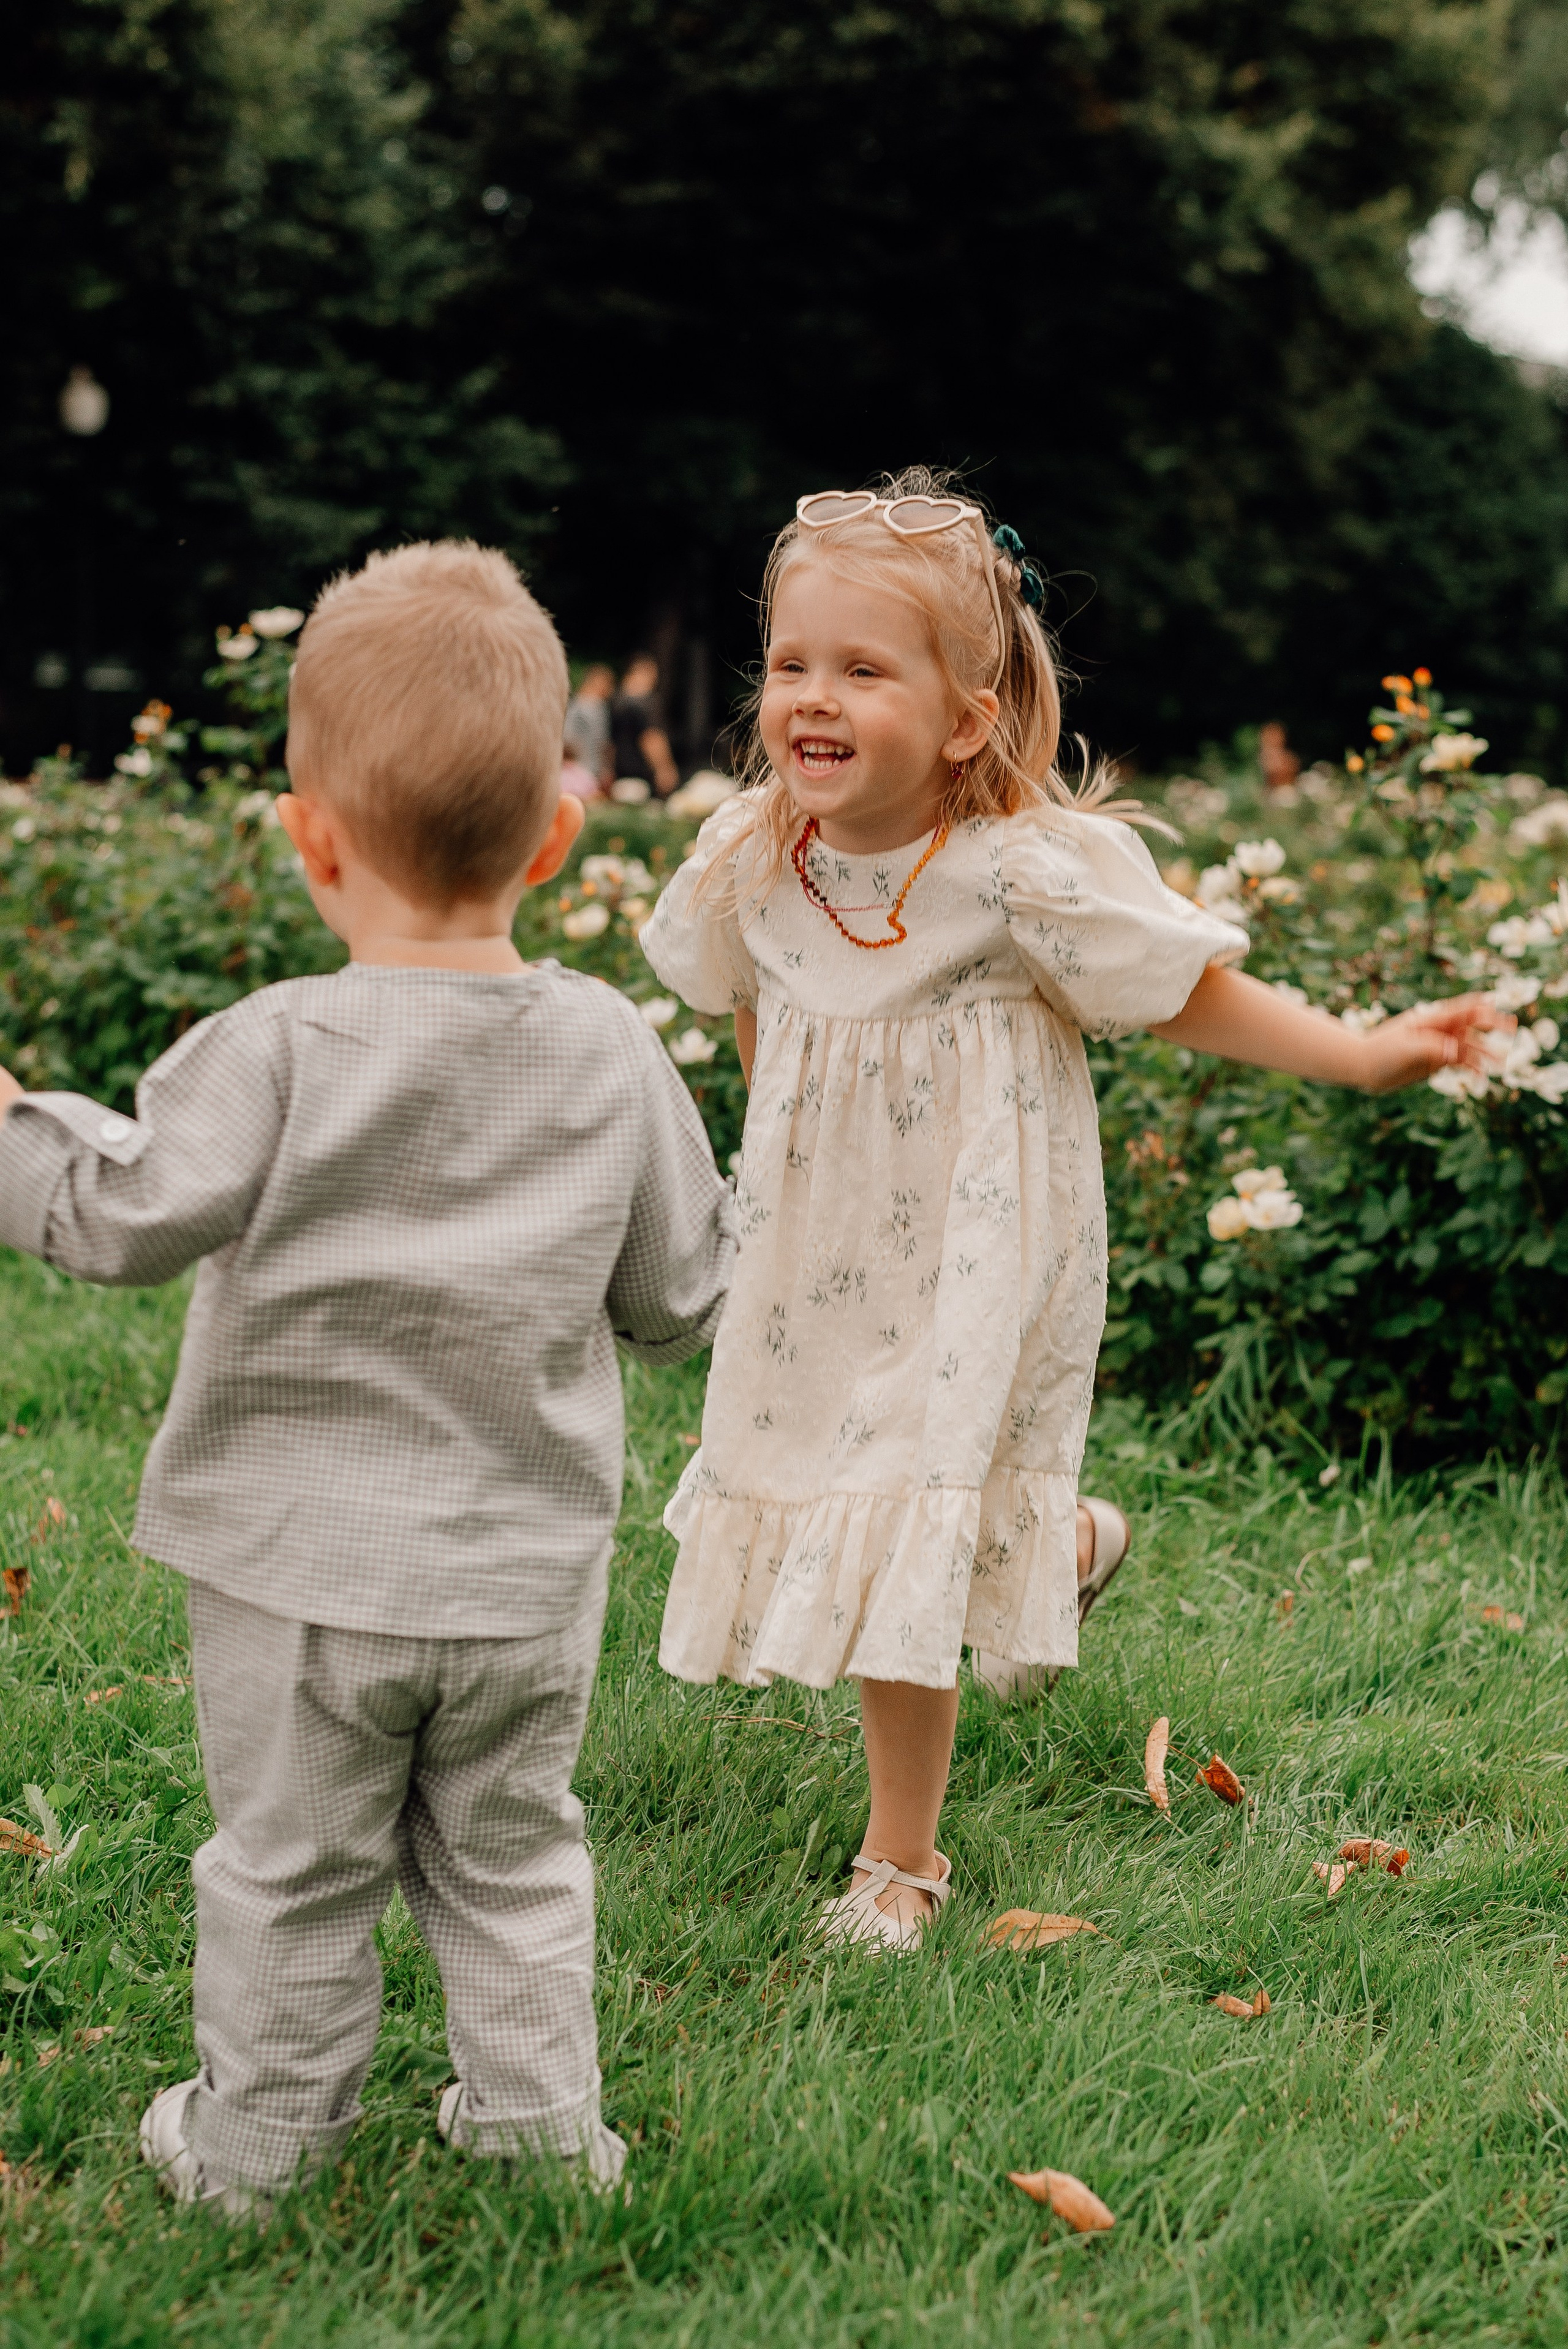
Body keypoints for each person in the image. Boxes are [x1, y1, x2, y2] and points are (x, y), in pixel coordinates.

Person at [639, 470, 1506, 1951]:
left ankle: (899, 1857)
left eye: (860, 668)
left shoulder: (1017, 874)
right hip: (818, 1251)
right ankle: (1081, 1542)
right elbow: (755, 1017)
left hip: (974, 1244)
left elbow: (1187, 994)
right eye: (789, 664)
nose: (809, 699)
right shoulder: (753, 860)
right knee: (847, 1482)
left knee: (908, 1497)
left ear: (964, 714)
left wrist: (1364, 1052)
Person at [0, 541, 734, 2208]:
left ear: (306, 834)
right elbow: (685, 1292)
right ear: (558, 832)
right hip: (521, 1582)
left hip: (294, 1573)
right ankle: (547, 2140)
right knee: (511, 1856)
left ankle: (258, 2145)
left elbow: (119, 1218)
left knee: (291, 1866)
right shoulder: (613, 1052)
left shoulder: (271, 1046)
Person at [612, 654, 680, 797]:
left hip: (619, 777)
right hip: (643, 779)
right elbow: (651, 738)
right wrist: (664, 769)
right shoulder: (647, 703)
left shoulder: (616, 701)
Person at [564, 662, 616, 792]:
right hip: (591, 768)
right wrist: (607, 769)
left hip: (572, 767)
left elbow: (567, 738)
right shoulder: (597, 708)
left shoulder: (573, 705)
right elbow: (602, 743)